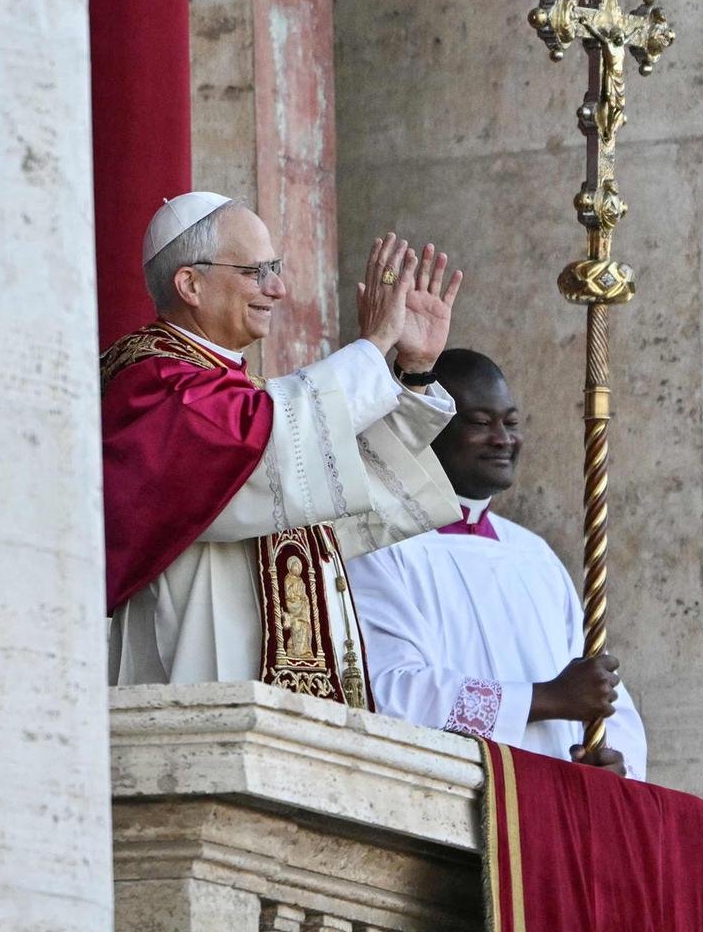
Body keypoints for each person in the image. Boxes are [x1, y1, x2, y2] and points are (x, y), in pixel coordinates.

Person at [103, 191, 465, 706]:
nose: (278, 288)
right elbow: (265, 445)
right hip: (203, 687)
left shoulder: (237, 393)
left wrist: (414, 370)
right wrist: (372, 346)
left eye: (274, 268)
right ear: (190, 284)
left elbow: (337, 481)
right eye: (256, 271)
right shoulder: (154, 383)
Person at [346, 349, 647, 778]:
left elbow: (599, 691)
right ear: (430, 429)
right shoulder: (381, 547)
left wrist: (615, 760)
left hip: (556, 800)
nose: (503, 439)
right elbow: (392, 693)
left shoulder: (534, 556)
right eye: (480, 423)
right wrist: (544, 699)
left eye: (511, 422)